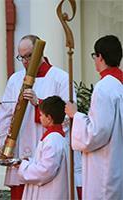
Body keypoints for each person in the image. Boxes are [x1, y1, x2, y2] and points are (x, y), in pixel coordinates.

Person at [0, 34, 82, 199]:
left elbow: (66, 117)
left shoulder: (61, 78)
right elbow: (6, 116)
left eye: (29, 56)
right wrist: (4, 146)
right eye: (21, 57)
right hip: (21, 150)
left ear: (39, 51)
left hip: (48, 152)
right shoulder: (15, 80)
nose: (25, 61)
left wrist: (39, 103)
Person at [65, 35, 123, 200]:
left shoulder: (103, 87)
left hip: (105, 166)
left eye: (94, 56)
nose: (94, 60)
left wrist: (75, 115)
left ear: (100, 57)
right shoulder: (119, 84)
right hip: (118, 162)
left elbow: (96, 133)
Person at [18, 95, 69, 200]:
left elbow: (45, 171)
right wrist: (30, 161)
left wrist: (24, 167)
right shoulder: (56, 137)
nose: (40, 117)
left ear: (49, 118)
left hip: (50, 192)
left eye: (41, 115)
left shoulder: (53, 140)